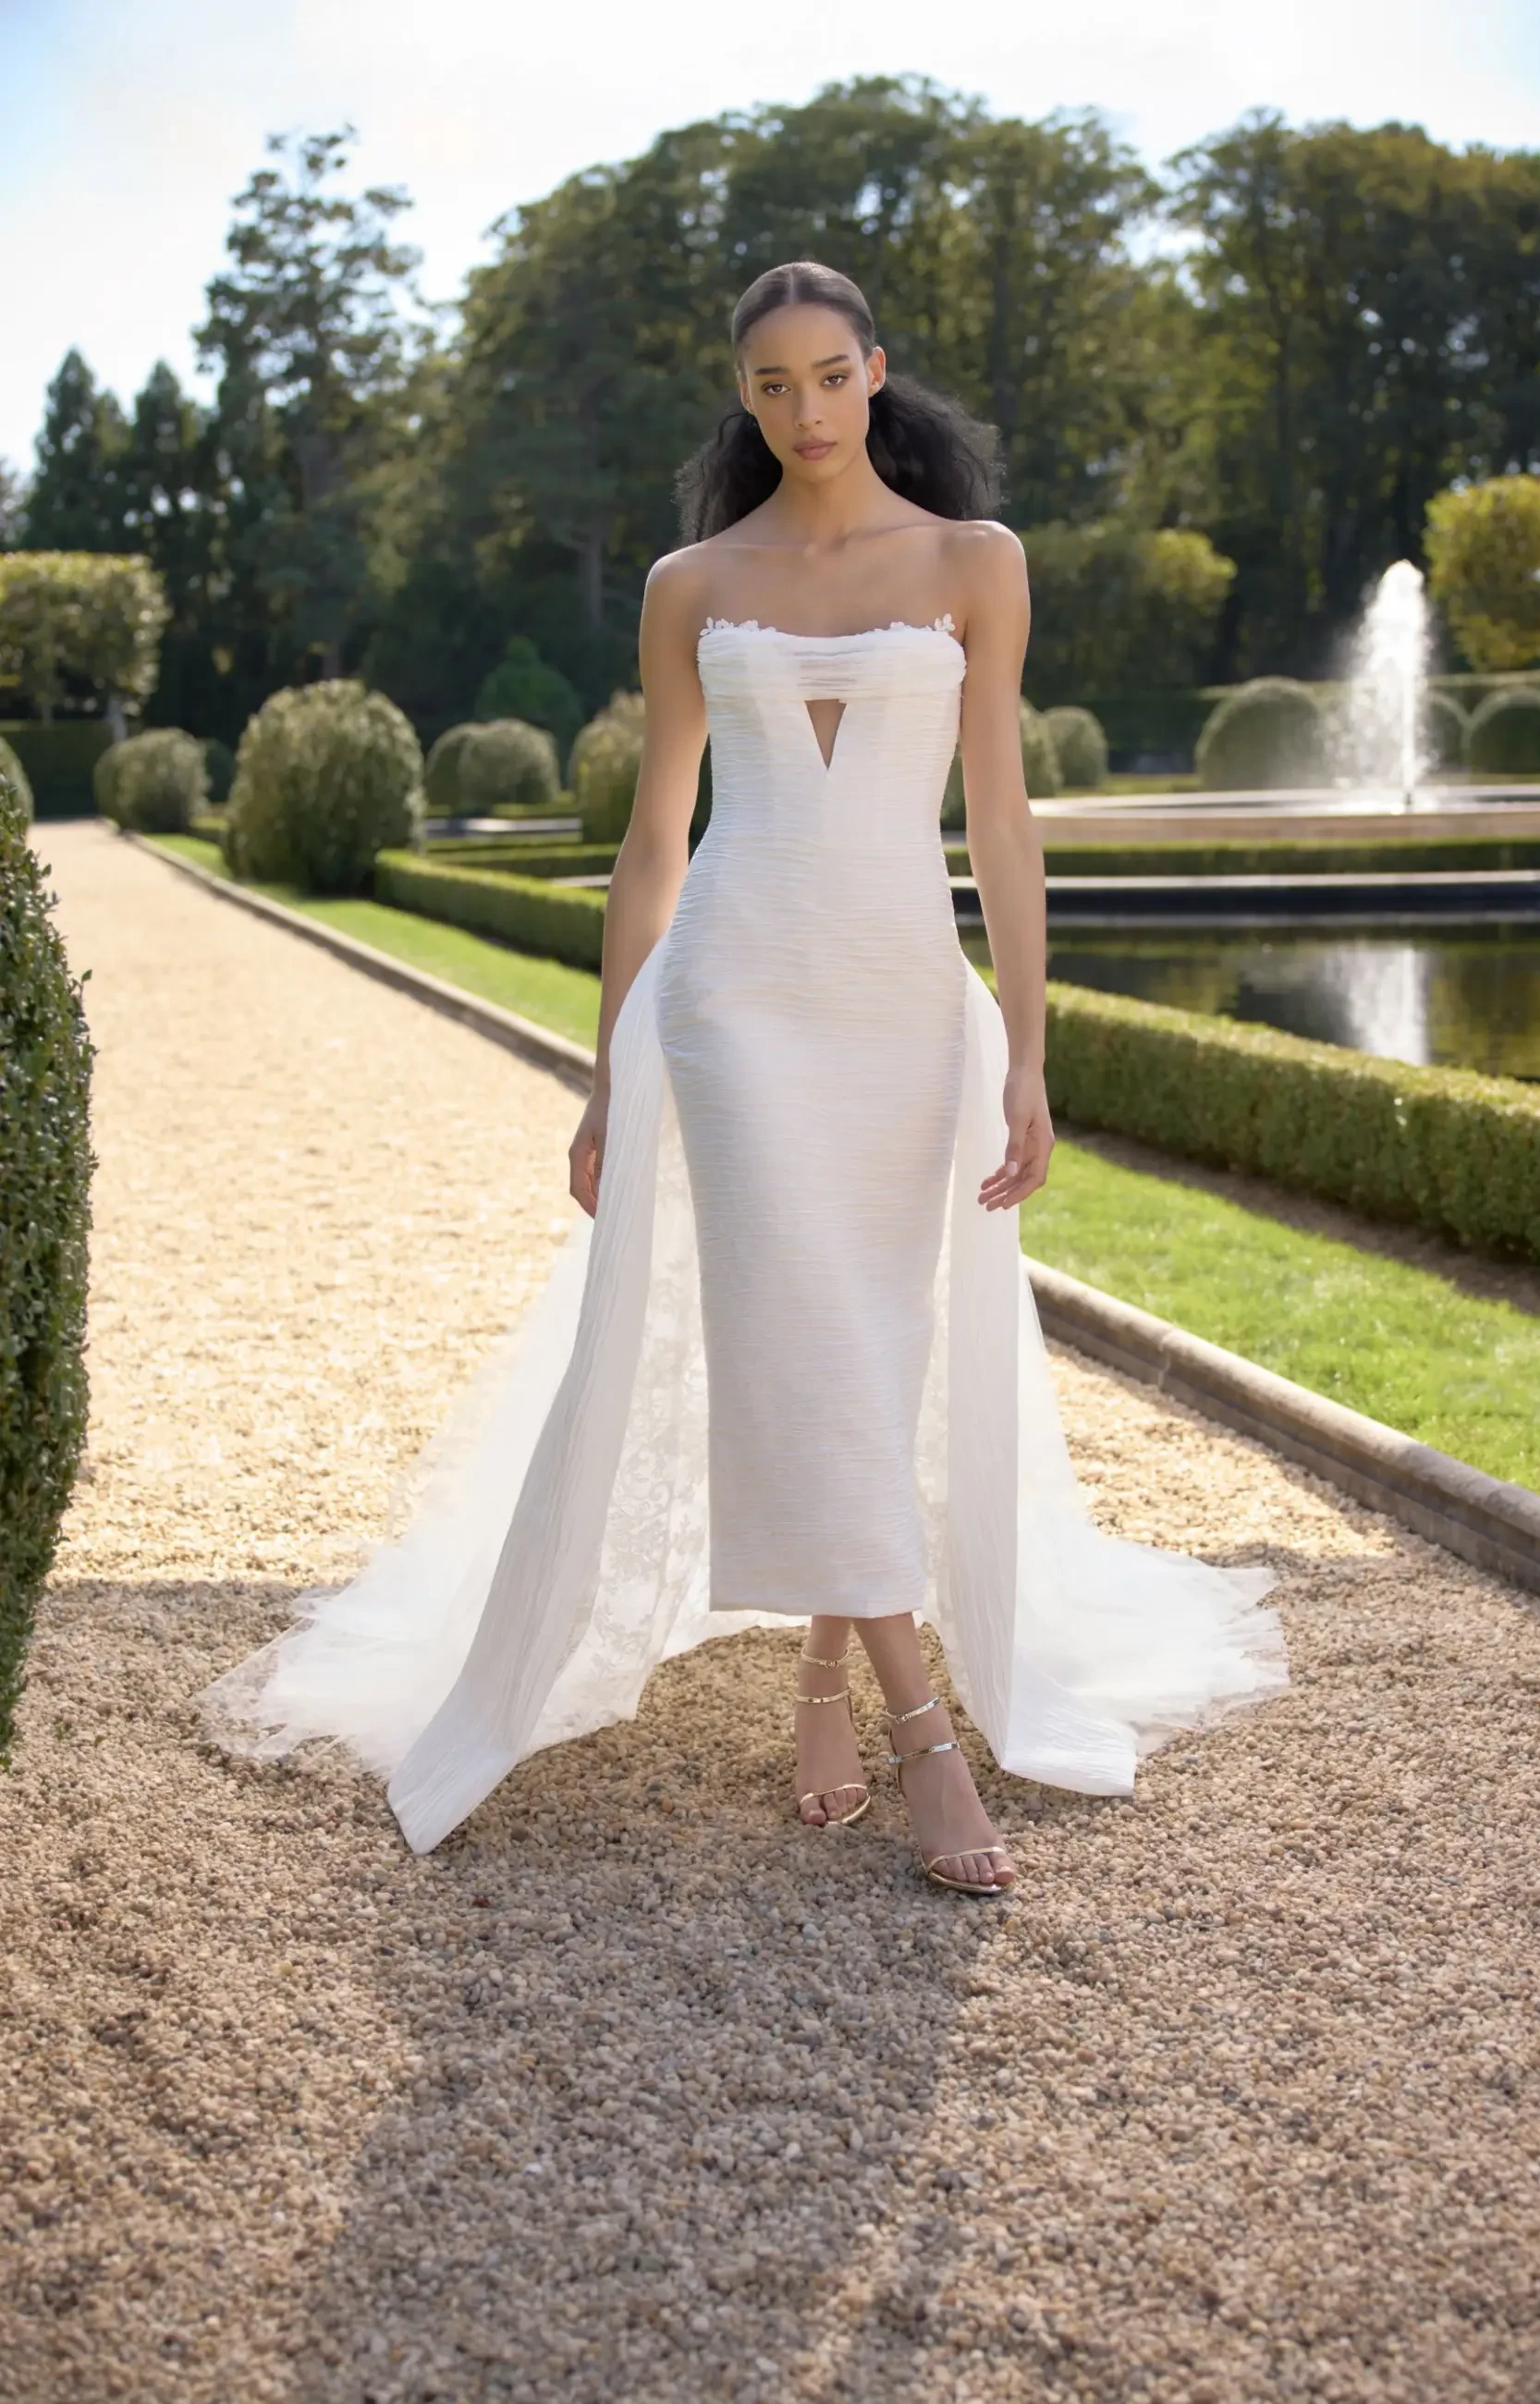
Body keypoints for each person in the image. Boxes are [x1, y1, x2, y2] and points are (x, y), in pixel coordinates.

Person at [201, 263, 1286, 1892]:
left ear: (876, 372)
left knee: (871, 1339)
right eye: (771, 384)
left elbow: (1002, 820)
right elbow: (656, 839)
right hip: (733, 999)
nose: (803, 410)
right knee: (794, 1328)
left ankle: (826, 1673)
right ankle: (926, 1735)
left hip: (903, 1004)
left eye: (829, 376)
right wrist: (605, 1072)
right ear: (745, 396)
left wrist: (1031, 1052)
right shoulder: (691, 583)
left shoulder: (977, 562)